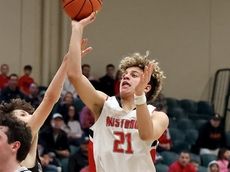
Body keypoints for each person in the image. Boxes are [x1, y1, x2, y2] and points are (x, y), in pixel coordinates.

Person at [66, 13, 169, 172]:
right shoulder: (103, 104)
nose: (126, 76)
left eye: (134, 75)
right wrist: (77, 28)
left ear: (147, 87)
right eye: (124, 74)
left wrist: (139, 96)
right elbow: (74, 75)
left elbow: (146, 135)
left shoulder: (158, 116)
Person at [0, 54, 68, 171]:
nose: (32, 116)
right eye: (22, 114)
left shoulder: (27, 143)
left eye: (28, 113)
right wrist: (66, 63)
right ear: (14, 123)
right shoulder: (21, 138)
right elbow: (50, 98)